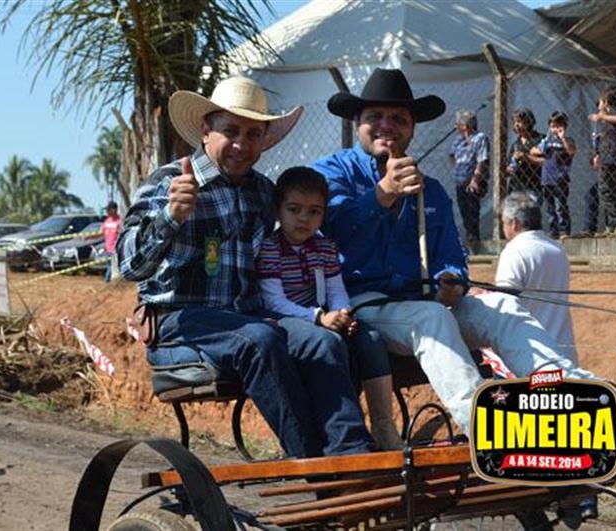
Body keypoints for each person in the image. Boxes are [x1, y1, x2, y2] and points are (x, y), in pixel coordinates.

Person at [313, 68, 597, 434]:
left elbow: (451, 254)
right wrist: (382, 194)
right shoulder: (331, 172)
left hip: (423, 303)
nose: (387, 125)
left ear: (412, 127)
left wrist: (452, 280)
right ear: (357, 122)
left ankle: (571, 399)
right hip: (362, 306)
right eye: (375, 117)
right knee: (431, 317)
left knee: (504, 307)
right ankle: (487, 427)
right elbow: (330, 227)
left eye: (398, 118)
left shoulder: (431, 190)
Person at [118, 76, 373, 458]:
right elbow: (127, 266)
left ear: (264, 139)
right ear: (206, 130)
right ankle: (311, 463)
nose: (241, 144)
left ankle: (351, 453)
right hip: (179, 325)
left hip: (248, 318)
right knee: (259, 340)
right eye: (231, 131)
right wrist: (170, 217)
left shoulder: (263, 192)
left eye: (253, 134)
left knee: (324, 341)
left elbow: (292, 247)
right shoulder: (170, 182)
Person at [256, 166, 402, 450]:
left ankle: (383, 424)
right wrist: (319, 317)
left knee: (370, 339)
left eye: (314, 212)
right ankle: (340, 434)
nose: (303, 219)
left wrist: (343, 313)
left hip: (323, 316)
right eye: (294, 209)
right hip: (283, 320)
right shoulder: (271, 249)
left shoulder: (324, 247)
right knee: (330, 342)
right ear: (278, 210)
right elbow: (274, 301)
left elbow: (336, 290)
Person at [497, 192, 577, 363]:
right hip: (564, 354)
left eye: (504, 223)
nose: (503, 229)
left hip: (532, 357)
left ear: (515, 223)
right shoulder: (557, 249)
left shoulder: (515, 250)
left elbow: (505, 303)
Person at [587, 87, 616, 238]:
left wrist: (602, 116)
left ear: (606, 102)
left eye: (601, 101)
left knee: (605, 191)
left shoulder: (614, 113)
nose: (599, 105)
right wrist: (597, 154)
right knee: (609, 192)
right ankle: (613, 226)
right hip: (607, 158)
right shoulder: (606, 120)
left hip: (612, 158)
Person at [531, 111, 575, 239]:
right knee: (550, 208)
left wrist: (563, 138)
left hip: (560, 179)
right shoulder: (547, 141)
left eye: (558, 126)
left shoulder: (567, 141)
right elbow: (533, 151)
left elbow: (571, 151)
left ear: (564, 126)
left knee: (560, 206)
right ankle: (553, 230)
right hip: (546, 179)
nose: (555, 129)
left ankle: (564, 230)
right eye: (552, 126)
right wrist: (541, 147)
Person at [449, 109, 489, 247]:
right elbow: (452, 155)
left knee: (472, 211)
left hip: (473, 181)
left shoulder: (480, 138)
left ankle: (474, 240)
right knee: (464, 211)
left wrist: (475, 180)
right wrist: (458, 168)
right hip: (460, 181)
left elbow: (482, 160)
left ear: (465, 125)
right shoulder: (458, 140)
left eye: (458, 123)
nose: (455, 126)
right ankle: (469, 238)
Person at [506, 108, 543, 196]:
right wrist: (509, 169)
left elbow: (547, 162)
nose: (516, 125)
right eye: (515, 122)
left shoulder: (540, 140)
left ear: (528, 122)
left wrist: (526, 157)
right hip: (515, 188)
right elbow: (508, 165)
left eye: (519, 121)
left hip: (534, 187)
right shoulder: (515, 144)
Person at [101, 200, 123, 282]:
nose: (107, 212)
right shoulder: (107, 221)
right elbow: (101, 232)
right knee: (109, 267)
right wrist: (88, 237)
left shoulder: (120, 221)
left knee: (113, 269)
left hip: (116, 249)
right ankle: (108, 283)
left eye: (108, 209)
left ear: (114, 209)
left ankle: (107, 283)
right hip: (108, 249)